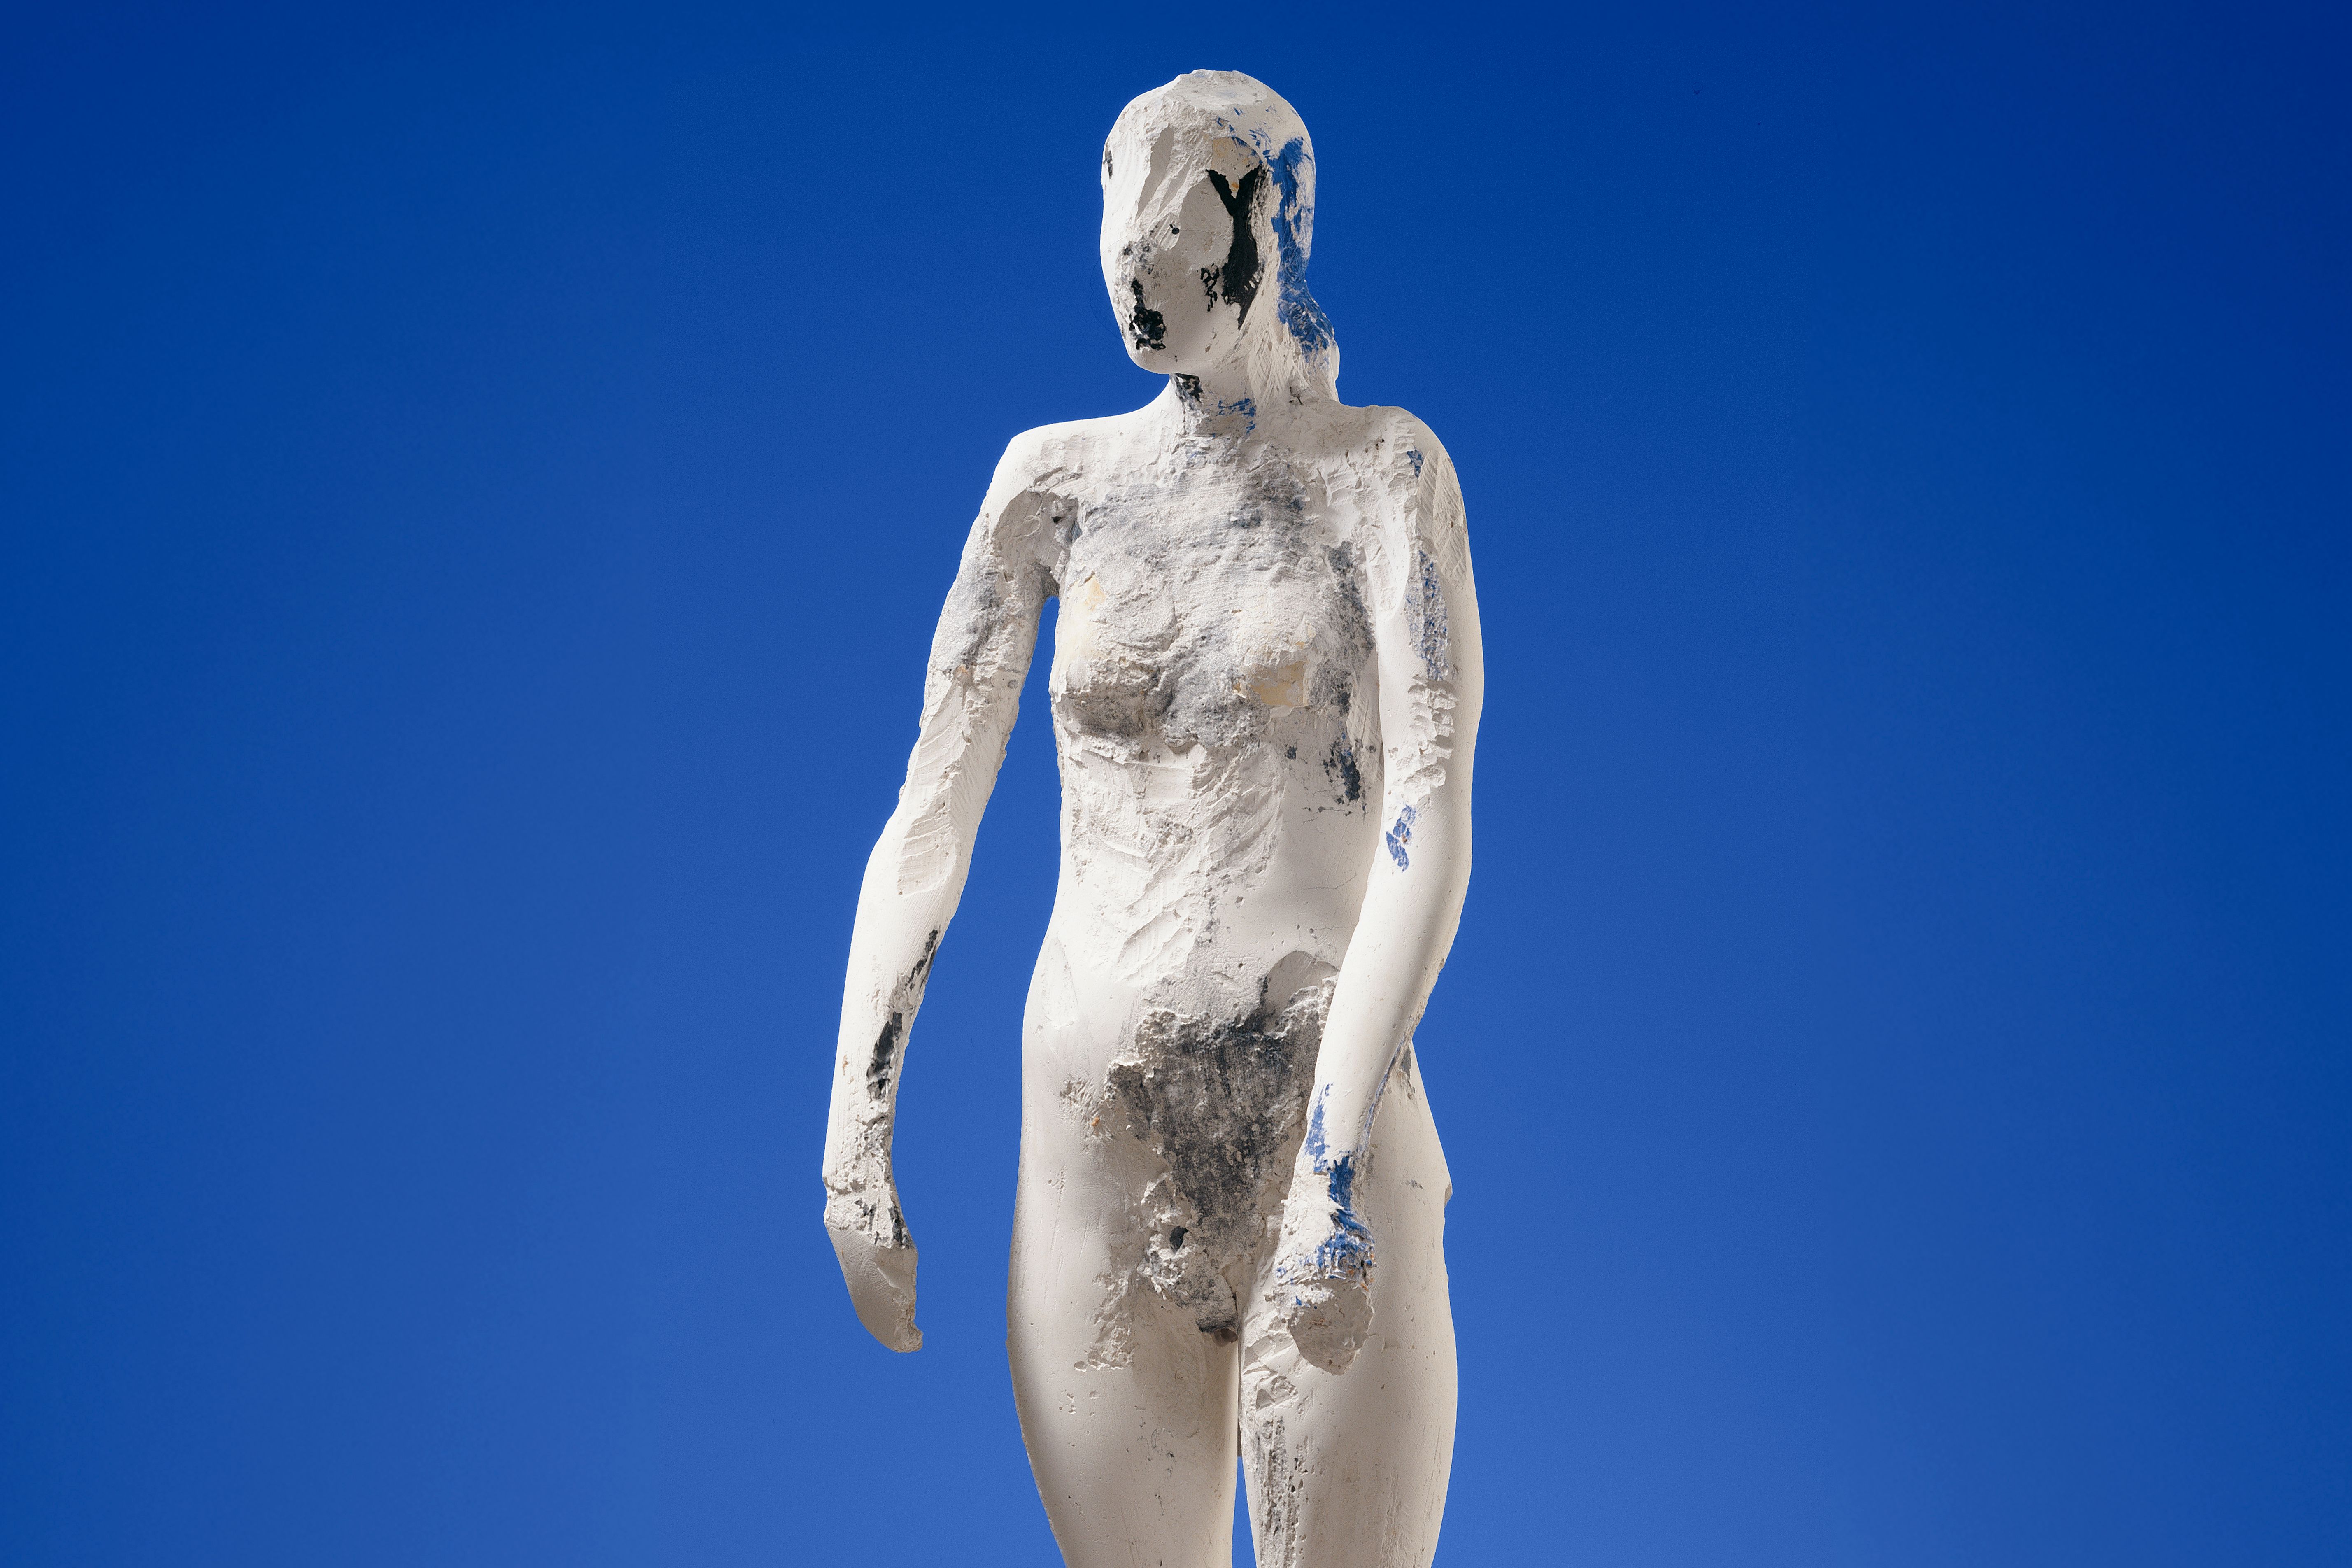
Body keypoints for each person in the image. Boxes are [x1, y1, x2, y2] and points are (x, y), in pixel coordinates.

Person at [820, 70, 1483, 1568]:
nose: (1140, 269)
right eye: (1121, 232)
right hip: (1096, 1140)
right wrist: (854, 1127)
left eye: (1180, 233)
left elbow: (1426, 823)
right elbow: (931, 812)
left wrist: (1330, 1169)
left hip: (1320, 1105)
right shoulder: (1051, 486)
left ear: (1269, 224)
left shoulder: (1382, 474)